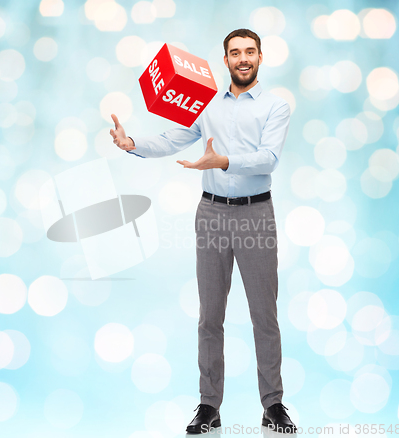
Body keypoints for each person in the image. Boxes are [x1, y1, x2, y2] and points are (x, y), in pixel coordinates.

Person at [110, 28, 297, 435]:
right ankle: (209, 406)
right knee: (210, 316)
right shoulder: (207, 102)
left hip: (255, 215)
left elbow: (268, 159)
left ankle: (274, 405)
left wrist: (222, 160)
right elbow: (175, 137)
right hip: (211, 214)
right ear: (225, 59)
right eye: (235, 52)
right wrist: (132, 143)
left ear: (260, 58)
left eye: (250, 52)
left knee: (264, 315)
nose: (242, 58)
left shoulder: (275, 106)